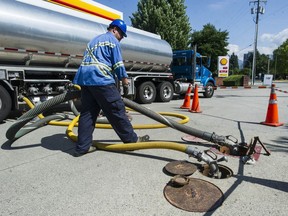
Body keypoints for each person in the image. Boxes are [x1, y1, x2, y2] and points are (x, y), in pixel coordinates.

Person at [72, 19, 149, 157]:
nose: (121, 39)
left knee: (88, 114)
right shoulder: (112, 41)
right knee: (117, 109)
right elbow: (118, 64)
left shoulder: (93, 41)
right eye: (121, 35)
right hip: (101, 78)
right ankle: (133, 141)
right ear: (115, 30)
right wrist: (125, 80)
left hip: (85, 80)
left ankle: (82, 148)